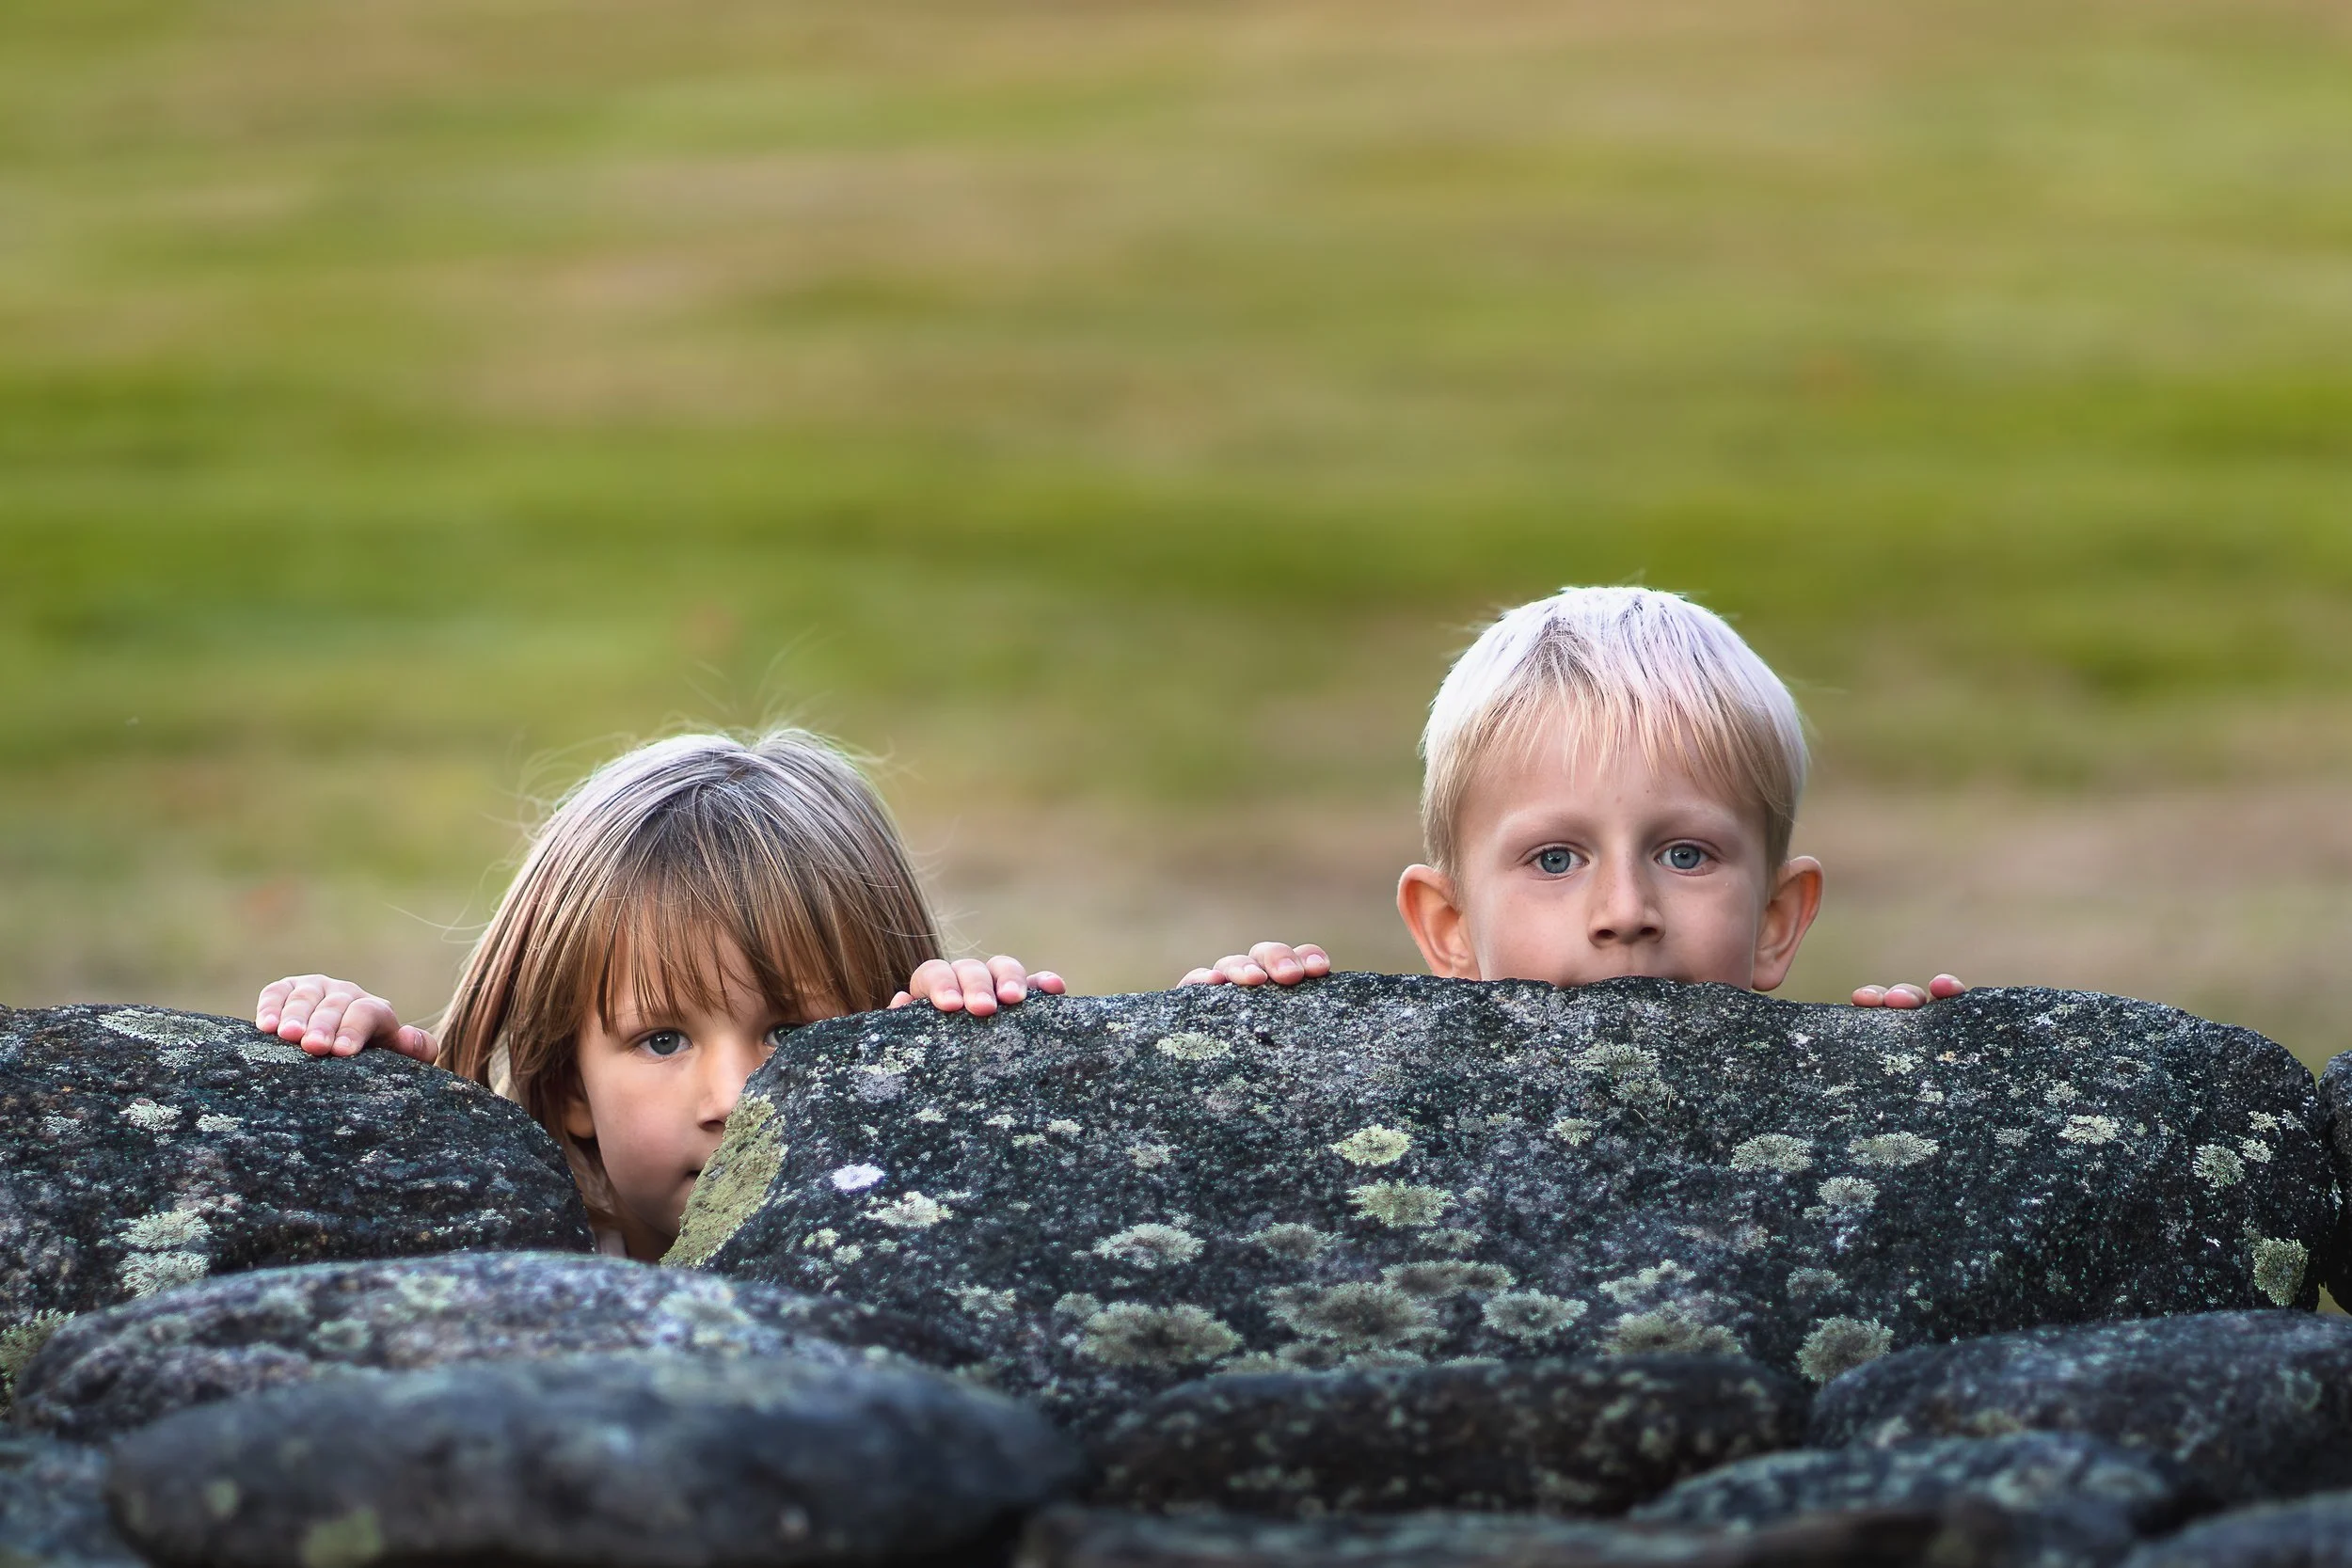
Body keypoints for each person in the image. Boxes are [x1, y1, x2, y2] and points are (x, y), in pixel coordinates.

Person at [254, 730, 1061, 1260]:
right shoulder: (518, 1265)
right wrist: (359, 1090)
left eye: (788, 1029)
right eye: (664, 1040)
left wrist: (979, 1058)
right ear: (571, 1085)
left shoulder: (940, 1242)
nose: (736, 1097)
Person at [1182, 585, 1963, 1007]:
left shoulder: (1827, 1110)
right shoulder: (1394, 1106)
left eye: (1685, 854)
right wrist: (1221, 1035)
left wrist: (1910, 1075)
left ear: (1775, 919)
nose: (1625, 911)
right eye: (1555, 858)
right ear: (1449, 925)